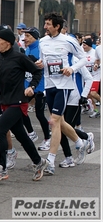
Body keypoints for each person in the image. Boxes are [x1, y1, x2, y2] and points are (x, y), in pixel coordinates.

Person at [0, 28, 48, 181]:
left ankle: (1, 167)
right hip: (5, 102)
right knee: (21, 136)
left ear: (7, 42)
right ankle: (38, 162)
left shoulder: (19, 57)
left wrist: (31, 87)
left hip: (19, 101)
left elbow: (37, 72)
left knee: (0, 130)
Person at [36, 12, 88, 175]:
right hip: (49, 85)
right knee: (60, 121)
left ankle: (50, 160)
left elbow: (84, 58)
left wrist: (71, 69)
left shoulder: (68, 41)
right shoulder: (42, 42)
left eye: (48, 24)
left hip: (64, 85)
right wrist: (40, 64)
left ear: (57, 26)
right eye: (45, 23)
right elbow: (43, 61)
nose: (45, 27)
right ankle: (81, 142)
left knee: (55, 121)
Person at [22, 27, 51, 150]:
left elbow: (48, 63)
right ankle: (31, 133)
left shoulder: (41, 48)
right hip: (28, 85)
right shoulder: (28, 48)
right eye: (25, 36)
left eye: (28, 36)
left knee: (39, 114)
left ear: (35, 37)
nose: (25, 38)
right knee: (20, 109)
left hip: (40, 86)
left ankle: (47, 138)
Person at [82, 38, 101, 118]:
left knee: (93, 93)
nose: (83, 47)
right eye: (82, 45)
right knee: (87, 95)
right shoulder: (82, 53)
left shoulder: (94, 52)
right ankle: (96, 111)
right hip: (87, 78)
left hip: (95, 77)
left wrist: (97, 65)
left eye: (85, 45)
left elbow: (98, 60)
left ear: (89, 45)